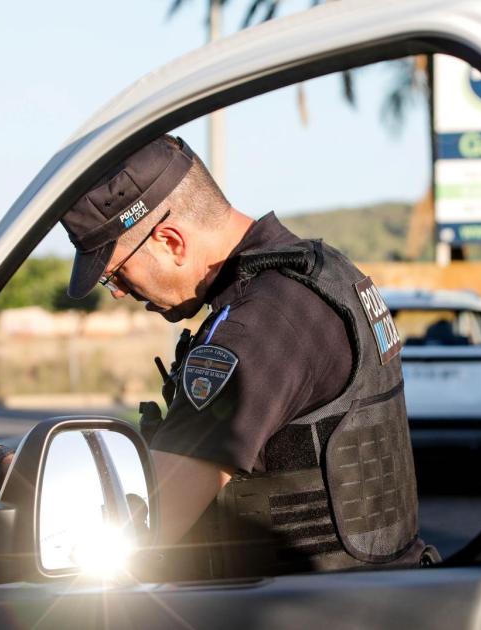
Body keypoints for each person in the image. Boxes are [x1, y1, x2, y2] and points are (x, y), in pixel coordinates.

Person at [51, 135, 427, 577]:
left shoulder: (258, 327)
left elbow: (153, 523)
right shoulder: (325, 271)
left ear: (170, 242)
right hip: (386, 590)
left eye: (117, 273)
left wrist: (44, 504)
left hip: (316, 605)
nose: (118, 292)